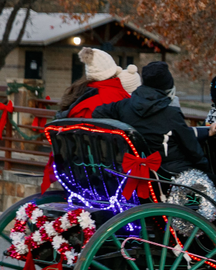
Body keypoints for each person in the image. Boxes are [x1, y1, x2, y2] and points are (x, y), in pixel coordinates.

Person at [42, 48, 142, 190]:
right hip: (111, 175)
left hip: (75, 171)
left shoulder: (76, 98)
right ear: (113, 71)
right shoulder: (118, 98)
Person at [93, 61, 210, 178]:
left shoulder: (123, 106)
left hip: (134, 168)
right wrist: (205, 168)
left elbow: (97, 112)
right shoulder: (171, 113)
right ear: (167, 86)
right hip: (168, 173)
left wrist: (119, 132)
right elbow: (190, 146)